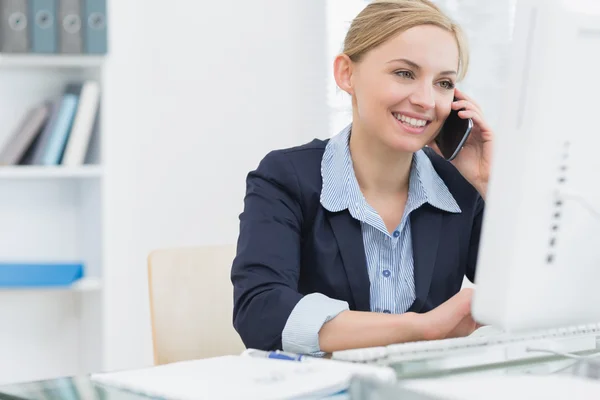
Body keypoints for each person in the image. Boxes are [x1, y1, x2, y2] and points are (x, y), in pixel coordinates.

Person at [231, 0, 494, 354]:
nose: (426, 100)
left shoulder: (460, 187)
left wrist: (490, 183)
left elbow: (533, 301)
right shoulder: (285, 178)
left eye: (444, 82)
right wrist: (419, 329)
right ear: (346, 74)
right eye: (404, 73)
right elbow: (260, 312)